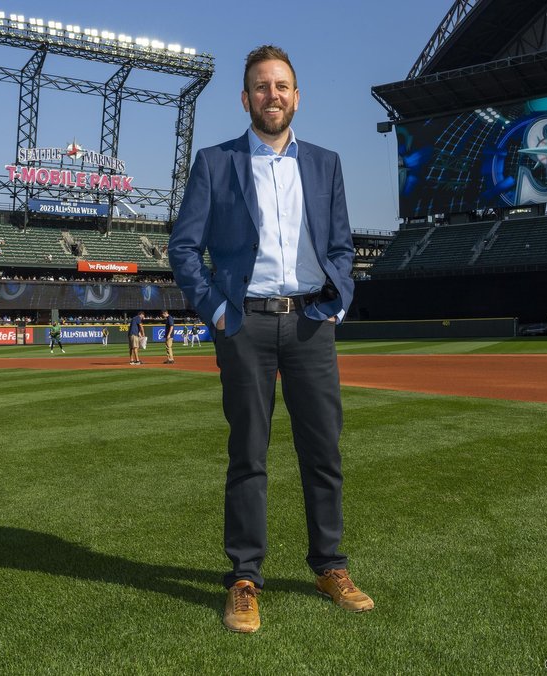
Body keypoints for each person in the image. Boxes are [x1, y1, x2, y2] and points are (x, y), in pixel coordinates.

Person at [168, 44, 368, 634]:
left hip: (310, 322)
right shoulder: (215, 162)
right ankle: (244, 578)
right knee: (248, 454)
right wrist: (219, 312)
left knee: (323, 451)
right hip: (244, 324)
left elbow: (341, 246)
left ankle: (330, 566)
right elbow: (184, 249)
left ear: (296, 96)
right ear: (245, 97)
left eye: (282, 86)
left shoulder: (327, 163)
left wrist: (339, 302)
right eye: (261, 86)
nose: (272, 95)